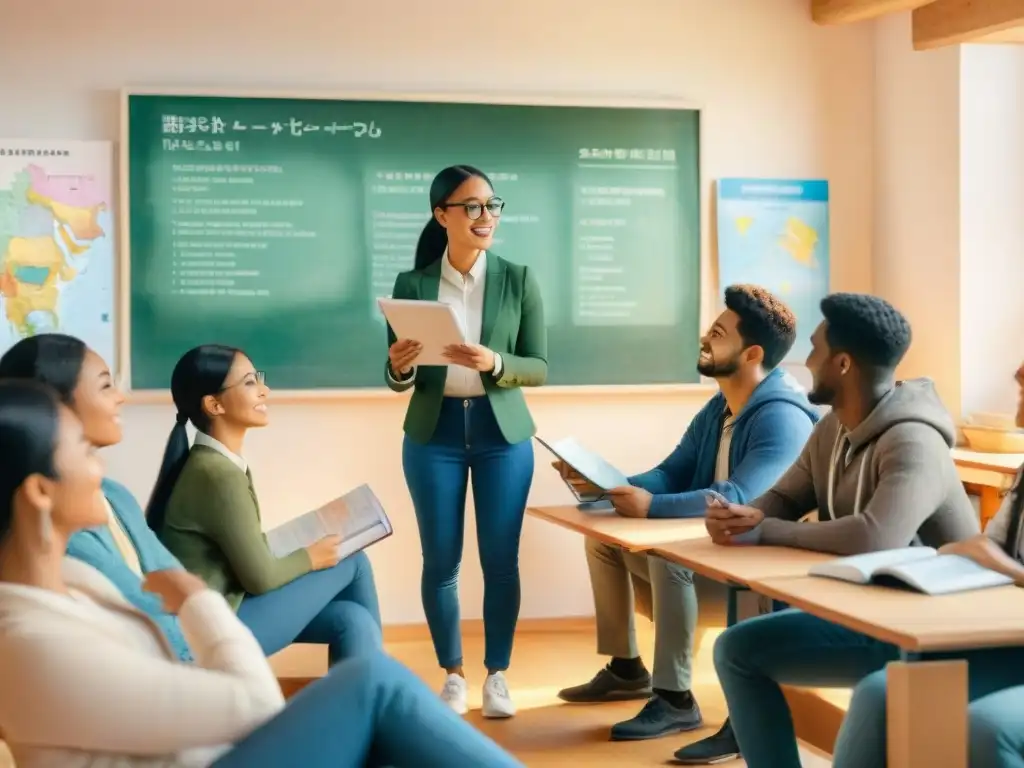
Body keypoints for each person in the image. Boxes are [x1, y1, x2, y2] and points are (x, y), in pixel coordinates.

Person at [0, 379, 524, 768]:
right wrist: (199, 603)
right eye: (87, 451)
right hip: (218, 727)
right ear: (40, 491)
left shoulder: (79, 583)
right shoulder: (26, 645)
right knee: (372, 681)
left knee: (357, 641)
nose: (103, 467)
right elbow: (252, 704)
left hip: (207, 741)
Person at [678, 292, 979, 767]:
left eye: (815, 350)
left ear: (842, 364)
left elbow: (875, 536)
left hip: (936, 631)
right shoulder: (833, 428)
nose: (806, 361)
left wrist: (767, 530)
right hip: (869, 616)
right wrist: (743, 518)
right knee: (738, 649)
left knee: (872, 698)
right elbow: (784, 498)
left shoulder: (914, 440)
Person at [553, 285, 819, 743]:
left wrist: (650, 507)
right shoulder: (720, 406)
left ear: (751, 352)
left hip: (758, 579)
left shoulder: (783, 417)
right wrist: (612, 488)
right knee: (602, 534)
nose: (705, 338)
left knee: (667, 554)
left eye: (718, 333)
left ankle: (675, 700)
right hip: (720, 558)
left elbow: (739, 497)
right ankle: (626, 667)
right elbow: (671, 472)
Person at [385, 164, 547, 718]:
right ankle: (452, 675)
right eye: (472, 207)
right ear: (442, 216)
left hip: (503, 434)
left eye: (492, 206)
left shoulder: (518, 278)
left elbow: (540, 366)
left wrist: (495, 361)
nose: (486, 217)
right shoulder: (412, 285)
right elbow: (398, 375)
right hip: (435, 434)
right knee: (441, 560)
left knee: (501, 560)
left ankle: (496, 676)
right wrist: (398, 367)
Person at [829, 360, 1024, 768]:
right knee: (878, 694)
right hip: (1007, 642)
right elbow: (990, 548)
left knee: (987, 727)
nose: (1018, 413)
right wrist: (962, 555)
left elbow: (1003, 563)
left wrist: (1005, 569)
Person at [149, 345, 384, 666]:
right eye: (249, 383)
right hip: (213, 630)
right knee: (352, 561)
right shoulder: (217, 475)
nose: (264, 389)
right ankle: (380, 692)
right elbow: (259, 578)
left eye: (257, 378)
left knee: (352, 619)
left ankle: (368, 703)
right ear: (214, 404)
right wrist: (311, 557)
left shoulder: (213, 464)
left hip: (222, 611)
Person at [0, 333, 192, 661]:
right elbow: (154, 611)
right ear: (54, 407)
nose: (120, 398)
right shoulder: (56, 521)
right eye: (105, 386)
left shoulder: (114, 495)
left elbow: (175, 580)